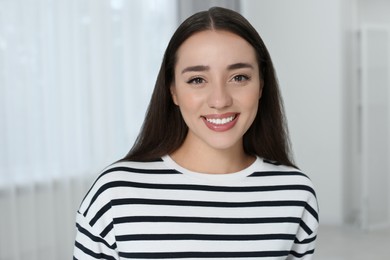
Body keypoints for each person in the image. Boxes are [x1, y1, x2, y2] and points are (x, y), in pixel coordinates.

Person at [73, 6, 319, 260]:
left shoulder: (294, 193)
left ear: (261, 86)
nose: (220, 100)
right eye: (197, 80)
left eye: (239, 77)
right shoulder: (115, 194)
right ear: (173, 91)